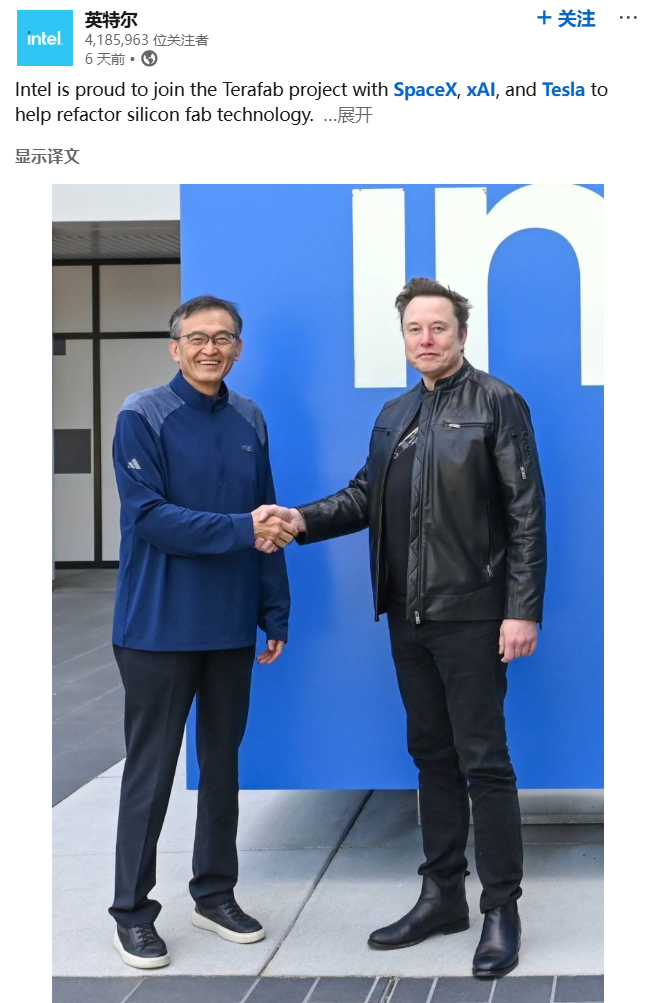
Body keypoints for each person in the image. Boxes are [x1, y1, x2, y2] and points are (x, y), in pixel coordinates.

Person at [258, 278, 546, 978]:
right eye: (415, 328)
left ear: (461, 334)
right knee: (431, 757)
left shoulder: (497, 402)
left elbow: (525, 511)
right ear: (404, 338)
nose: (426, 338)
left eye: (438, 327)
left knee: (484, 761)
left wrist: (522, 607)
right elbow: (365, 495)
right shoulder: (396, 413)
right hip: (407, 615)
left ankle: (500, 909)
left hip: (474, 613)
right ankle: (442, 895)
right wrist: (299, 520)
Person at [109, 294, 297, 969]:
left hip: (228, 627)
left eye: (222, 338)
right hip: (156, 627)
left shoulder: (249, 417)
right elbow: (150, 516)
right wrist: (244, 528)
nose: (209, 348)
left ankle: (214, 893)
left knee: (222, 767)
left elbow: (267, 519)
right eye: (196, 337)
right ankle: (132, 912)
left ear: (237, 349)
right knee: (152, 773)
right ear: (175, 347)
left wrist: (273, 608)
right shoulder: (141, 414)